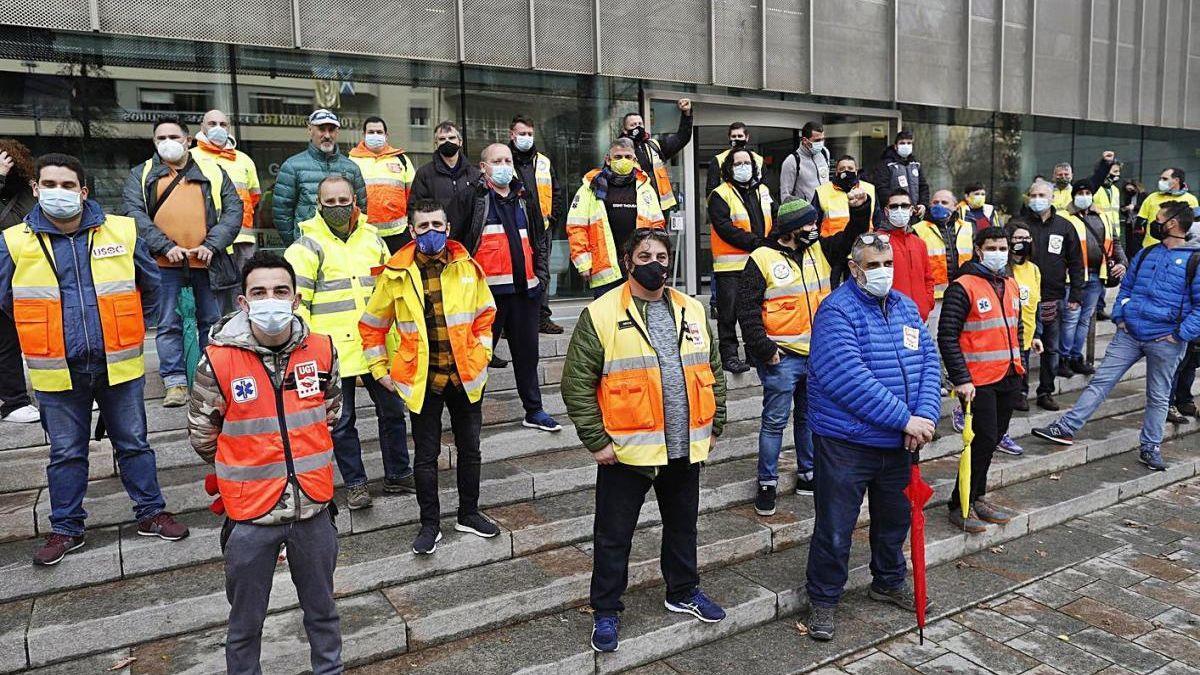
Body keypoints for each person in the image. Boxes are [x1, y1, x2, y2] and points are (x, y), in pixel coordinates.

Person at [2, 153, 188, 566]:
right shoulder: (15, 241)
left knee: (135, 444)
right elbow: (5, 302)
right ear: (35, 189)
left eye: (68, 186)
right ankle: (66, 528)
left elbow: (150, 286)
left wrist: (136, 330)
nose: (58, 193)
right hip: (57, 369)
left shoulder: (121, 231)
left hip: (117, 364)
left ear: (83, 191)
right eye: (49, 185)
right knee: (66, 452)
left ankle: (151, 512)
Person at [561, 228, 727, 654]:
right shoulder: (599, 314)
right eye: (645, 254)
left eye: (661, 255)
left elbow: (714, 369)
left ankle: (683, 591)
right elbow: (576, 384)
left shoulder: (692, 309)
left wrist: (716, 421)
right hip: (625, 451)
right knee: (614, 535)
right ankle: (606, 610)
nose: (655, 262)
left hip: (683, 446)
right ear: (628, 260)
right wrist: (596, 440)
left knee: (682, 526)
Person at [188, 251, 343, 674]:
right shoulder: (217, 360)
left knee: (324, 614)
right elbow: (203, 434)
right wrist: (243, 468)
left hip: (313, 509)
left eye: (280, 290)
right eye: (259, 291)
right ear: (243, 301)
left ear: (295, 299)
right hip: (250, 515)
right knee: (244, 626)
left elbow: (331, 414)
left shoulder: (323, 351)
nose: (270, 299)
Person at [802, 232, 941, 642]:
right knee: (835, 526)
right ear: (854, 268)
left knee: (894, 520)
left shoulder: (905, 307)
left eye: (888, 264)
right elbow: (848, 378)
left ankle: (888, 580)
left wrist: (927, 415)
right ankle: (824, 599)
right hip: (847, 443)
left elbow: (929, 362)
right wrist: (905, 419)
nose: (882, 272)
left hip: (899, 444)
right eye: (873, 265)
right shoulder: (836, 311)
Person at [359, 199, 499, 555]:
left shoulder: (468, 266)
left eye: (437, 225)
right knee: (425, 456)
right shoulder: (394, 274)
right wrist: (380, 371)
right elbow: (372, 327)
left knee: (471, 450)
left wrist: (482, 354)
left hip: (466, 377)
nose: (431, 232)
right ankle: (430, 524)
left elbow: (485, 315)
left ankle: (468, 513)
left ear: (448, 228)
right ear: (412, 231)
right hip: (424, 381)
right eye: (423, 226)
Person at [1033, 202, 1200, 472]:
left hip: (1166, 340)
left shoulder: (1195, 260)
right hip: (1130, 334)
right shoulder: (1146, 254)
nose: (1151, 225)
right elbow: (1127, 288)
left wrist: (1179, 334)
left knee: (1158, 396)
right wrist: (1120, 316)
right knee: (1100, 381)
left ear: (1172, 224)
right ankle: (1065, 428)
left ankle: (1150, 447)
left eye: (1158, 220)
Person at [284, 175, 413, 511]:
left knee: (393, 414)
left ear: (355, 201)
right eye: (330, 203)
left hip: (378, 347)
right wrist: (311, 351)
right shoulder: (304, 248)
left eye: (344, 201)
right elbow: (299, 308)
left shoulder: (374, 240)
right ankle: (355, 484)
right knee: (341, 424)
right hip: (333, 353)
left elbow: (391, 293)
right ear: (318, 205)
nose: (338, 208)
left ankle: (398, 474)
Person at [738, 196, 870, 512]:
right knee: (774, 422)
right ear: (792, 227)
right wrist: (765, 349)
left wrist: (860, 210)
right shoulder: (763, 257)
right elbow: (747, 308)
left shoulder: (820, 250)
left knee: (809, 419)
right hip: (781, 357)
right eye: (809, 223)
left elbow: (853, 235)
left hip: (817, 357)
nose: (814, 228)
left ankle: (807, 473)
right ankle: (767, 482)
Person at [122, 117, 242, 408]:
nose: (167, 143)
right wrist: (165, 246)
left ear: (188, 140)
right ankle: (174, 382)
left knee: (211, 322)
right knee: (168, 324)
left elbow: (233, 211)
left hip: (207, 262)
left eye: (173, 136)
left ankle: (209, 378)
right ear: (154, 143)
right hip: (163, 264)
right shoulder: (141, 174)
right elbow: (133, 213)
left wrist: (211, 245)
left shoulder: (213, 171)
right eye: (160, 138)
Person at [462, 143, 560, 432]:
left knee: (527, 356)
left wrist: (541, 279)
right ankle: (469, 415)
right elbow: (460, 243)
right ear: (483, 167)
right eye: (497, 161)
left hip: (525, 293)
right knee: (478, 356)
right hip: (487, 297)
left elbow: (540, 241)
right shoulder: (473, 197)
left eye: (507, 160)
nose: (504, 165)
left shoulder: (524, 197)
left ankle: (534, 410)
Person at [938, 227, 1025, 533]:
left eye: (1003, 247)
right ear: (978, 249)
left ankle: (977, 496)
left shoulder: (1009, 284)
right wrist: (960, 378)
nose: (999, 252)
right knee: (982, 439)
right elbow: (947, 335)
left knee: (993, 439)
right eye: (993, 247)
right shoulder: (963, 286)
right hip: (976, 380)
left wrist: (1021, 363)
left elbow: (1018, 328)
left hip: (1008, 374)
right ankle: (959, 503)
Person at [1008, 179, 1083, 411]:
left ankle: (1046, 391)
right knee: (1021, 346)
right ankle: (1020, 391)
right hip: (1019, 297)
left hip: (1051, 296)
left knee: (1050, 348)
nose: (1037, 199)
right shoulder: (1018, 225)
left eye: (1042, 195)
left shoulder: (1064, 226)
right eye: (1033, 195)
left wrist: (1076, 292)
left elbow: (1076, 261)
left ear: (1052, 198)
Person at [566, 138, 666, 298]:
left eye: (628, 157)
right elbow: (576, 227)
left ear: (634, 160)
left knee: (639, 317)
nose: (623, 161)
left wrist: (656, 260)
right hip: (605, 268)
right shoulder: (591, 187)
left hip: (639, 265)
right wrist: (583, 262)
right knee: (607, 319)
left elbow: (657, 227)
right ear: (608, 159)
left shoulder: (645, 188)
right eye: (618, 157)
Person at [708, 149, 775, 374]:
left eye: (747, 162)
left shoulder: (764, 191)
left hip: (758, 263)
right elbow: (725, 228)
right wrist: (758, 243)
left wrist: (770, 243)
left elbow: (775, 218)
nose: (743, 166)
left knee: (753, 312)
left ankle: (755, 353)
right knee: (728, 314)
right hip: (731, 266)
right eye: (738, 163)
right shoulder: (719, 194)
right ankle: (729, 355)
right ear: (729, 167)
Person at [191, 108, 260, 302]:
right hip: (209, 240)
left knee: (244, 294)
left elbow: (254, 197)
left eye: (223, 124)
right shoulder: (191, 158)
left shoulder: (244, 160)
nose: (218, 128)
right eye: (212, 124)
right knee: (214, 299)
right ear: (202, 127)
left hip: (242, 240)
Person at [1059, 180, 1127, 377]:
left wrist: (1122, 263)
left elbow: (1115, 242)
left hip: (1097, 275)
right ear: (1074, 196)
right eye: (1080, 192)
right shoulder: (1064, 217)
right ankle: (1062, 358)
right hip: (1073, 277)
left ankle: (1075, 357)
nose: (1084, 196)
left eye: (1088, 192)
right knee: (1070, 318)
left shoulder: (1102, 216)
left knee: (1085, 319)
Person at [272, 109, 367, 246]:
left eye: (332, 130)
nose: (327, 135)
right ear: (310, 130)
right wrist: (296, 244)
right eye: (321, 129)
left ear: (337, 132)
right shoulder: (292, 167)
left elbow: (361, 210)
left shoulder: (351, 168)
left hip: (345, 245)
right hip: (308, 247)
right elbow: (282, 213)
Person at [508, 115, 566, 335]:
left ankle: (541, 317)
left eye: (530, 134)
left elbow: (556, 191)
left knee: (542, 272)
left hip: (542, 227)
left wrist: (552, 220)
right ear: (511, 134)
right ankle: (511, 321)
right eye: (522, 134)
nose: (526, 138)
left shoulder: (543, 161)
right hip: (515, 227)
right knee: (514, 271)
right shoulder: (504, 159)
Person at [0, 139, 40, 424]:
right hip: (4, 272)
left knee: (43, 335)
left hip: (32, 270)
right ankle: (13, 401)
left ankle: (69, 392)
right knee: (6, 341)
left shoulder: (31, 190)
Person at [349, 115, 415, 253]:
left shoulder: (401, 159)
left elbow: (413, 195)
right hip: (364, 234)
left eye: (379, 132)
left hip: (398, 234)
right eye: (371, 132)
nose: (375, 135)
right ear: (364, 135)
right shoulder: (352, 160)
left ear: (386, 135)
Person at [914, 188, 974, 338]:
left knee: (963, 338)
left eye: (944, 202)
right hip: (935, 298)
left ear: (955, 206)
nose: (939, 205)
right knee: (934, 340)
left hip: (963, 293)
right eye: (935, 202)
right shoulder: (918, 229)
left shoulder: (968, 228)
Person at [410, 121, 483, 241]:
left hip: (469, 239)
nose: (447, 142)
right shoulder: (424, 173)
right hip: (437, 238)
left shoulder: (474, 174)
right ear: (436, 144)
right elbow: (415, 208)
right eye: (442, 139)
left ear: (460, 142)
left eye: (452, 138)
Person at [618, 99, 693, 212]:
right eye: (633, 125)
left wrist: (686, 114)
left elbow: (682, 138)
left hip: (660, 209)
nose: (638, 127)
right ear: (625, 130)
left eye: (640, 124)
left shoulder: (654, 145)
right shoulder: (619, 152)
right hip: (635, 209)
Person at [812, 155, 875, 286]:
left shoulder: (869, 189)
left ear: (856, 170)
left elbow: (878, 220)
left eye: (850, 168)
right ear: (836, 172)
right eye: (842, 168)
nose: (846, 171)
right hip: (833, 251)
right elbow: (815, 222)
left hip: (862, 249)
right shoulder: (822, 191)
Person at [876, 189, 935, 321]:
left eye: (904, 205)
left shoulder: (920, 243)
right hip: (890, 320)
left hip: (920, 318)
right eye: (894, 206)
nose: (899, 209)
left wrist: (927, 303)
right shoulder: (878, 241)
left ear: (911, 210)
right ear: (886, 211)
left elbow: (928, 279)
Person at [1006, 223, 1044, 426]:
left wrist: (1038, 333)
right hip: (1006, 332)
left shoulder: (1034, 270)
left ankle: (1021, 393)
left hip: (1027, 332)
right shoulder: (1004, 268)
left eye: (1026, 239)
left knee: (1024, 365)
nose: (1022, 243)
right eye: (1018, 238)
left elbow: (1037, 303)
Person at [870, 130, 929, 222]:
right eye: (902, 143)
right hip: (894, 213)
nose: (906, 145)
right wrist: (898, 205)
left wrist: (923, 204)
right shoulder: (886, 165)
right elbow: (881, 188)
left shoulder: (915, 164)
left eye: (909, 143)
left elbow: (923, 186)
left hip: (914, 215)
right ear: (895, 146)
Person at [1135, 168, 1198, 249]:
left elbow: (1195, 227)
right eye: (1160, 178)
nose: (1160, 181)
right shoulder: (1152, 197)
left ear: (1176, 180)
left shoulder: (1191, 199)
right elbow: (1139, 224)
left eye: (1165, 179)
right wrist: (1136, 247)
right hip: (1150, 248)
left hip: (1179, 248)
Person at [706, 122, 764, 194]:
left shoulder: (758, 159)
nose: (737, 139)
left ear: (747, 137)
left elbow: (765, 187)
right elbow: (711, 191)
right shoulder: (718, 160)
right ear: (729, 138)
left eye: (740, 136)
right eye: (734, 136)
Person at [780, 122, 830, 202]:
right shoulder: (792, 161)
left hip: (826, 209)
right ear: (804, 140)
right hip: (806, 211)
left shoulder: (825, 153)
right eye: (817, 140)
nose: (821, 143)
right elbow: (786, 195)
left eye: (822, 139)